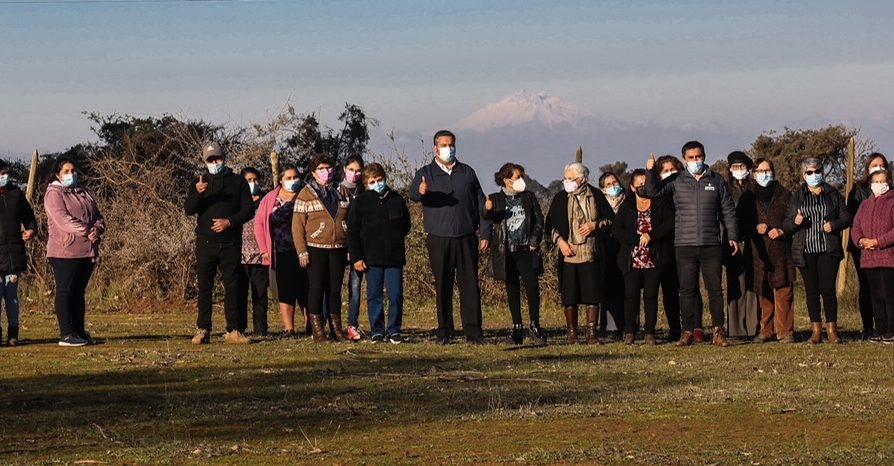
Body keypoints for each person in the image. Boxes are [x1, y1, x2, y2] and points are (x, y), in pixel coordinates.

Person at [643, 141, 740, 347]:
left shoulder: (717, 180)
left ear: (704, 156)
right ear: (685, 160)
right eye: (691, 158)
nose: (696, 161)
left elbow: (728, 210)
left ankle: (718, 330)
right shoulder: (677, 180)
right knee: (686, 289)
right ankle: (687, 331)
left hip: (711, 243)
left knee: (715, 289)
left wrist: (732, 235)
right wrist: (651, 171)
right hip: (684, 244)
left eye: (699, 157)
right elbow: (652, 192)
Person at [409, 130, 491, 345]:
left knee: (470, 285)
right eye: (444, 145)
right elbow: (413, 195)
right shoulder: (426, 172)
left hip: (466, 236)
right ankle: (444, 331)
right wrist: (421, 190)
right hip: (438, 238)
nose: (449, 148)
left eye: (452, 144)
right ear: (435, 148)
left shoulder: (467, 172)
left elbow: (481, 204)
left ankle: (473, 332)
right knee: (443, 285)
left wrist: (485, 232)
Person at [184, 142, 254, 345]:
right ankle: (203, 329)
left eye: (217, 158)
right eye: (210, 159)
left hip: (231, 242)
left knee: (233, 286)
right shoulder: (199, 181)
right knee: (205, 286)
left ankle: (234, 329)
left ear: (223, 158)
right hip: (205, 242)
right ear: (204, 161)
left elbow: (248, 209)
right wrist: (197, 193)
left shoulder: (238, 181)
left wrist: (229, 222)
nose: (215, 162)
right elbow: (189, 209)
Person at [783, 157, 851, 344]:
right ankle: (815, 330)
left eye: (817, 171)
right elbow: (787, 225)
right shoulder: (797, 196)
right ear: (804, 175)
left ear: (822, 172)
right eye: (810, 172)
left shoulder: (833, 194)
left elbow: (846, 218)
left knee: (828, 289)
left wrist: (834, 225)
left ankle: (832, 330)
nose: (814, 175)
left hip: (827, 249)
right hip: (805, 250)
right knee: (812, 291)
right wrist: (795, 222)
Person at [545, 162, 613, 345]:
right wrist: (560, 242)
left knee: (593, 293)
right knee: (570, 294)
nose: (567, 182)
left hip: (591, 252)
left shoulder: (596, 196)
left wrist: (595, 225)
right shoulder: (560, 198)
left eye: (571, 178)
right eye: (565, 178)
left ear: (582, 179)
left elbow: (610, 220)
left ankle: (592, 332)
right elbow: (550, 225)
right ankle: (572, 332)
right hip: (569, 254)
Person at [44, 157, 105, 347]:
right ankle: (66, 333)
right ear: (58, 175)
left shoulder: (85, 192)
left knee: (79, 292)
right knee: (65, 291)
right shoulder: (53, 194)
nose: (71, 174)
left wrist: (98, 228)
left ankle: (79, 331)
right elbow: (63, 220)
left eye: (73, 170)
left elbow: (98, 215)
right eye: (67, 172)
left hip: (87, 251)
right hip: (64, 251)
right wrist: (86, 230)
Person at [347, 163, 411, 343]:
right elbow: (353, 231)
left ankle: (394, 329)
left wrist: (395, 237)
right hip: (370, 257)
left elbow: (406, 225)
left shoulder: (397, 199)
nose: (377, 183)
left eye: (380, 179)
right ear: (366, 184)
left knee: (395, 294)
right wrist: (357, 257)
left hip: (394, 256)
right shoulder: (360, 202)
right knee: (374, 295)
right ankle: (377, 329)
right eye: (373, 181)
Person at [484, 163, 547, 346]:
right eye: (517, 177)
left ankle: (535, 325)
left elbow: (538, 219)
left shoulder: (528, 197)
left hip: (526, 250)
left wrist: (535, 240)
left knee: (532, 286)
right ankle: (516, 326)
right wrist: (487, 209)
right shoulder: (496, 199)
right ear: (506, 180)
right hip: (506, 251)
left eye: (522, 177)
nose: (521, 181)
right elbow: (488, 218)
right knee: (512, 288)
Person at [293, 154, 352, 342]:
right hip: (315, 248)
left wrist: (351, 247)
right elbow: (297, 226)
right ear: (313, 172)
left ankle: (337, 329)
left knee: (335, 290)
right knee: (316, 288)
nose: (326, 172)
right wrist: (302, 251)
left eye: (329, 168)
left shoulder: (342, 191)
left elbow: (351, 219)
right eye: (321, 169)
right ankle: (318, 330)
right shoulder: (305, 194)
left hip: (339, 248)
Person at [613, 169, 673, 345]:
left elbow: (669, 224)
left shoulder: (660, 203)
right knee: (631, 296)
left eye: (645, 184)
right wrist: (635, 240)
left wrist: (651, 236)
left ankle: (649, 332)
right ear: (632, 187)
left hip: (654, 257)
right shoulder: (627, 206)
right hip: (632, 258)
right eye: (639, 185)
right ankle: (630, 331)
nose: (642, 187)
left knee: (651, 295)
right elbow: (617, 230)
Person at [255, 165, 308, 338]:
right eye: (288, 178)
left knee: (305, 289)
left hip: (304, 250)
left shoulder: (306, 195)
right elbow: (259, 224)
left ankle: (311, 325)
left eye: (295, 177)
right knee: (285, 290)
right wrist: (264, 250)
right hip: (280, 251)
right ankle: (289, 328)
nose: (293, 181)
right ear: (281, 180)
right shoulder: (271, 198)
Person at [747, 158, 796, 343]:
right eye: (760, 170)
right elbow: (742, 221)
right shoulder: (748, 195)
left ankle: (785, 331)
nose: (764, 174)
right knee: (764, 290)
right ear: (754, 173)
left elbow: (793, 219)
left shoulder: (785, 194)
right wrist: (754, 228)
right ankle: (765, 330)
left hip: (782, 248)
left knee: (784, 290)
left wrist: (783, 229)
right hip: (759, 250)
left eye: (768, 170)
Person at [846, 152, 889, 340]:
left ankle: (888, 328)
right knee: (868, 288)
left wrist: (879, 241)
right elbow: (854, 220)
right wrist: (862, 241)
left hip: (887, 249)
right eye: (874, 165)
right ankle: (869, 326)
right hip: (864, 249)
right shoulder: (859, 191)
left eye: (881, 165)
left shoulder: (890, 193)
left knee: (888, 289)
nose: (878, 168)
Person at [0, 160, 36, 346]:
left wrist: (31, 230)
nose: (3, 177)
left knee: (12, 295)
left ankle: (13, 333)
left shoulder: (16, 194)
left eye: (4, 173)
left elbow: (29, 217)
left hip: (13, 252)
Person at [724, 151, 760, 338]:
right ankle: (736, 328)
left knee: (753, 283)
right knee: (735, 283)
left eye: (742, 166)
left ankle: (754, 326)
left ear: (748, 168)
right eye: (735, 167)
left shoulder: (755, 188)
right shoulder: (726, 188)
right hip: (732, 241)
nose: (739, 170)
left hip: (754, 240)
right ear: (730, 169)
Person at [653, 155, 686, 342]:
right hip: (665, 247)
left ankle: (693, 326)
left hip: (686, 242)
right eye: (665, 170)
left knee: (689, 288)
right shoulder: (659, 195)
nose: (670, 173)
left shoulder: (685, 189)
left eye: (672, 169)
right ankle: (675, 327)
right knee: (669, 290)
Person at [239, 167, 269, 337]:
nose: (253, 183)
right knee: (240, 294)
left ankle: (261, 329)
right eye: (249, 180)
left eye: (255, 179)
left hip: (260, 255)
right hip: (240, 255)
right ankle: (240, 328)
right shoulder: (237, 201)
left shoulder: (265, 201)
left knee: (260, 295)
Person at [598, 172, 626, 340]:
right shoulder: (600, 206)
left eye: (614, 182)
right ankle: (609, 327)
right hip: (607, 252)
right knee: (607, 290)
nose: (613, 186)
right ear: (603, 189)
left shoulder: (628, 202)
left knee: (626, 290)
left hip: (625, 250)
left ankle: (628, 325)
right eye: (608, 184)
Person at [341, 155, 365, 341]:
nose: (355, 173)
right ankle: (329, 325)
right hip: (338, 245)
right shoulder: (336, 191)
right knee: (331, 287)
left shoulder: (365, 191)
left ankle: (352, 324)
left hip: (359, 247)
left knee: (355, 287)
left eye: (358, 170)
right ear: (344, 169)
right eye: (351, 169)